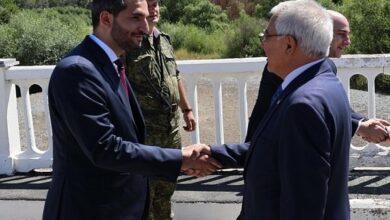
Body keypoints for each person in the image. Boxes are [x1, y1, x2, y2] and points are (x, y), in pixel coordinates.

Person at [42, 1, 220, 219]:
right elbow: (105, 148)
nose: (145, 28)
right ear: (106, 19)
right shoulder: (77, 71)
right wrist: (180, 158)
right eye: (136, 18)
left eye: (146, 18)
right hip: (90, 209)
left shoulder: (110, 64)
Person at [208, 0, 352, 219]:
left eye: (267, 36)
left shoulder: (302, 106)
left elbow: (302, 209)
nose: (263, 43)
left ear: (288, 44)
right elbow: (279, 150)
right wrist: (213, 153)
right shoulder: (324, 83)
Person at [245, 9, 390, 143]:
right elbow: (314, 111)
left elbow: (334, 107)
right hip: (269, 148)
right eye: (341, 34)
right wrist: (361, 127)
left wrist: (364, 122)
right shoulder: (291, 66)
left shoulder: (323, 65)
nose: (348, 41)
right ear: (322, 33)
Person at [124, 0, 196, 219]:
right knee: (146, 190)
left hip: (170, 128)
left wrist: (187, 109)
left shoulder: (164, 40)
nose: (154, 10)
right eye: (149, 5)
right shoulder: (130, 42)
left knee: (167, 187)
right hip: (145, 130)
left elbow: (176, 75)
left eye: (157, 5)